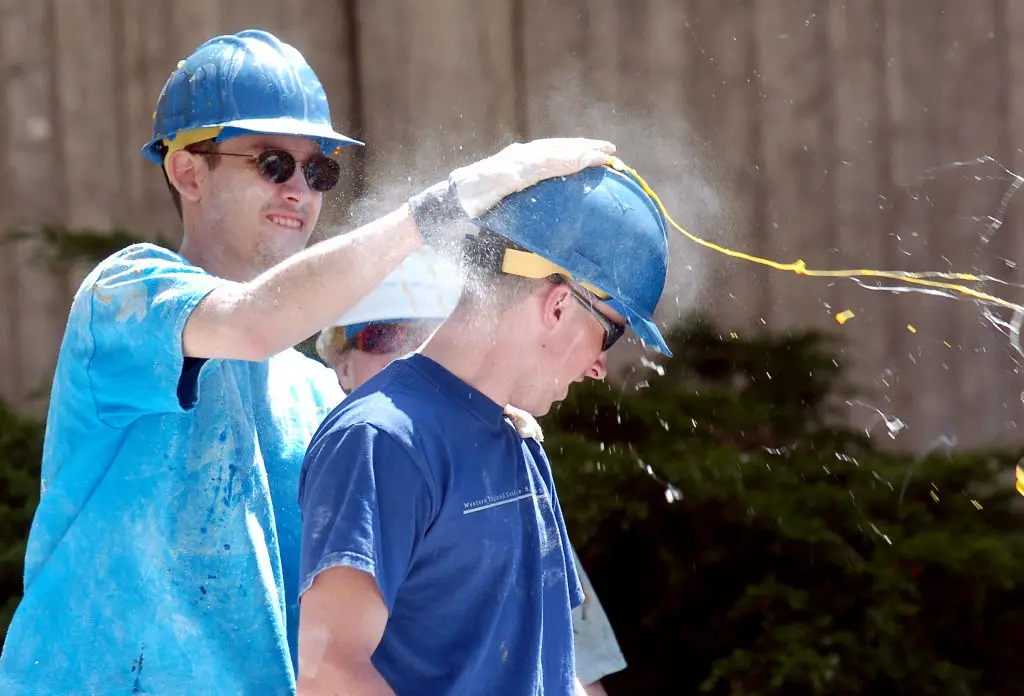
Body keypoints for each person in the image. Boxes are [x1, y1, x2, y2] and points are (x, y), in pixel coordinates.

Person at [0, 28, 616, 695]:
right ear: (186, 170)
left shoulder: (324, 401)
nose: (301, 189)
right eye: (272, 162)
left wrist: (473, 429)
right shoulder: (124, 300)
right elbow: (254, 322)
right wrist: (441, 208)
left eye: (319, 170)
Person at [296, 161, 670, 695]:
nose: (598, 368)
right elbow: (329, 673)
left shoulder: (518, 441)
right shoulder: (382, 440)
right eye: (608, 337)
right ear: (559, 306)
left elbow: (553, 671)